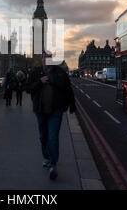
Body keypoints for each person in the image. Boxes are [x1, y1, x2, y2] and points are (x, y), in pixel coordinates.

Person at [26, 51, 76, 180]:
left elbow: (68, 88)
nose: (46, 60)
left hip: (56, 110)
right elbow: (28, 88)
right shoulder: (36, 72)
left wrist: (72, 105)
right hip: (40, 110)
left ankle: (53, 164)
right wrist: (40, 82)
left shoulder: (59, 72)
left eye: (49, 57)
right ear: (41, 59)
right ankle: (47, 157)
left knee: (53, 137)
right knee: (43, 137)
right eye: (44, 57)